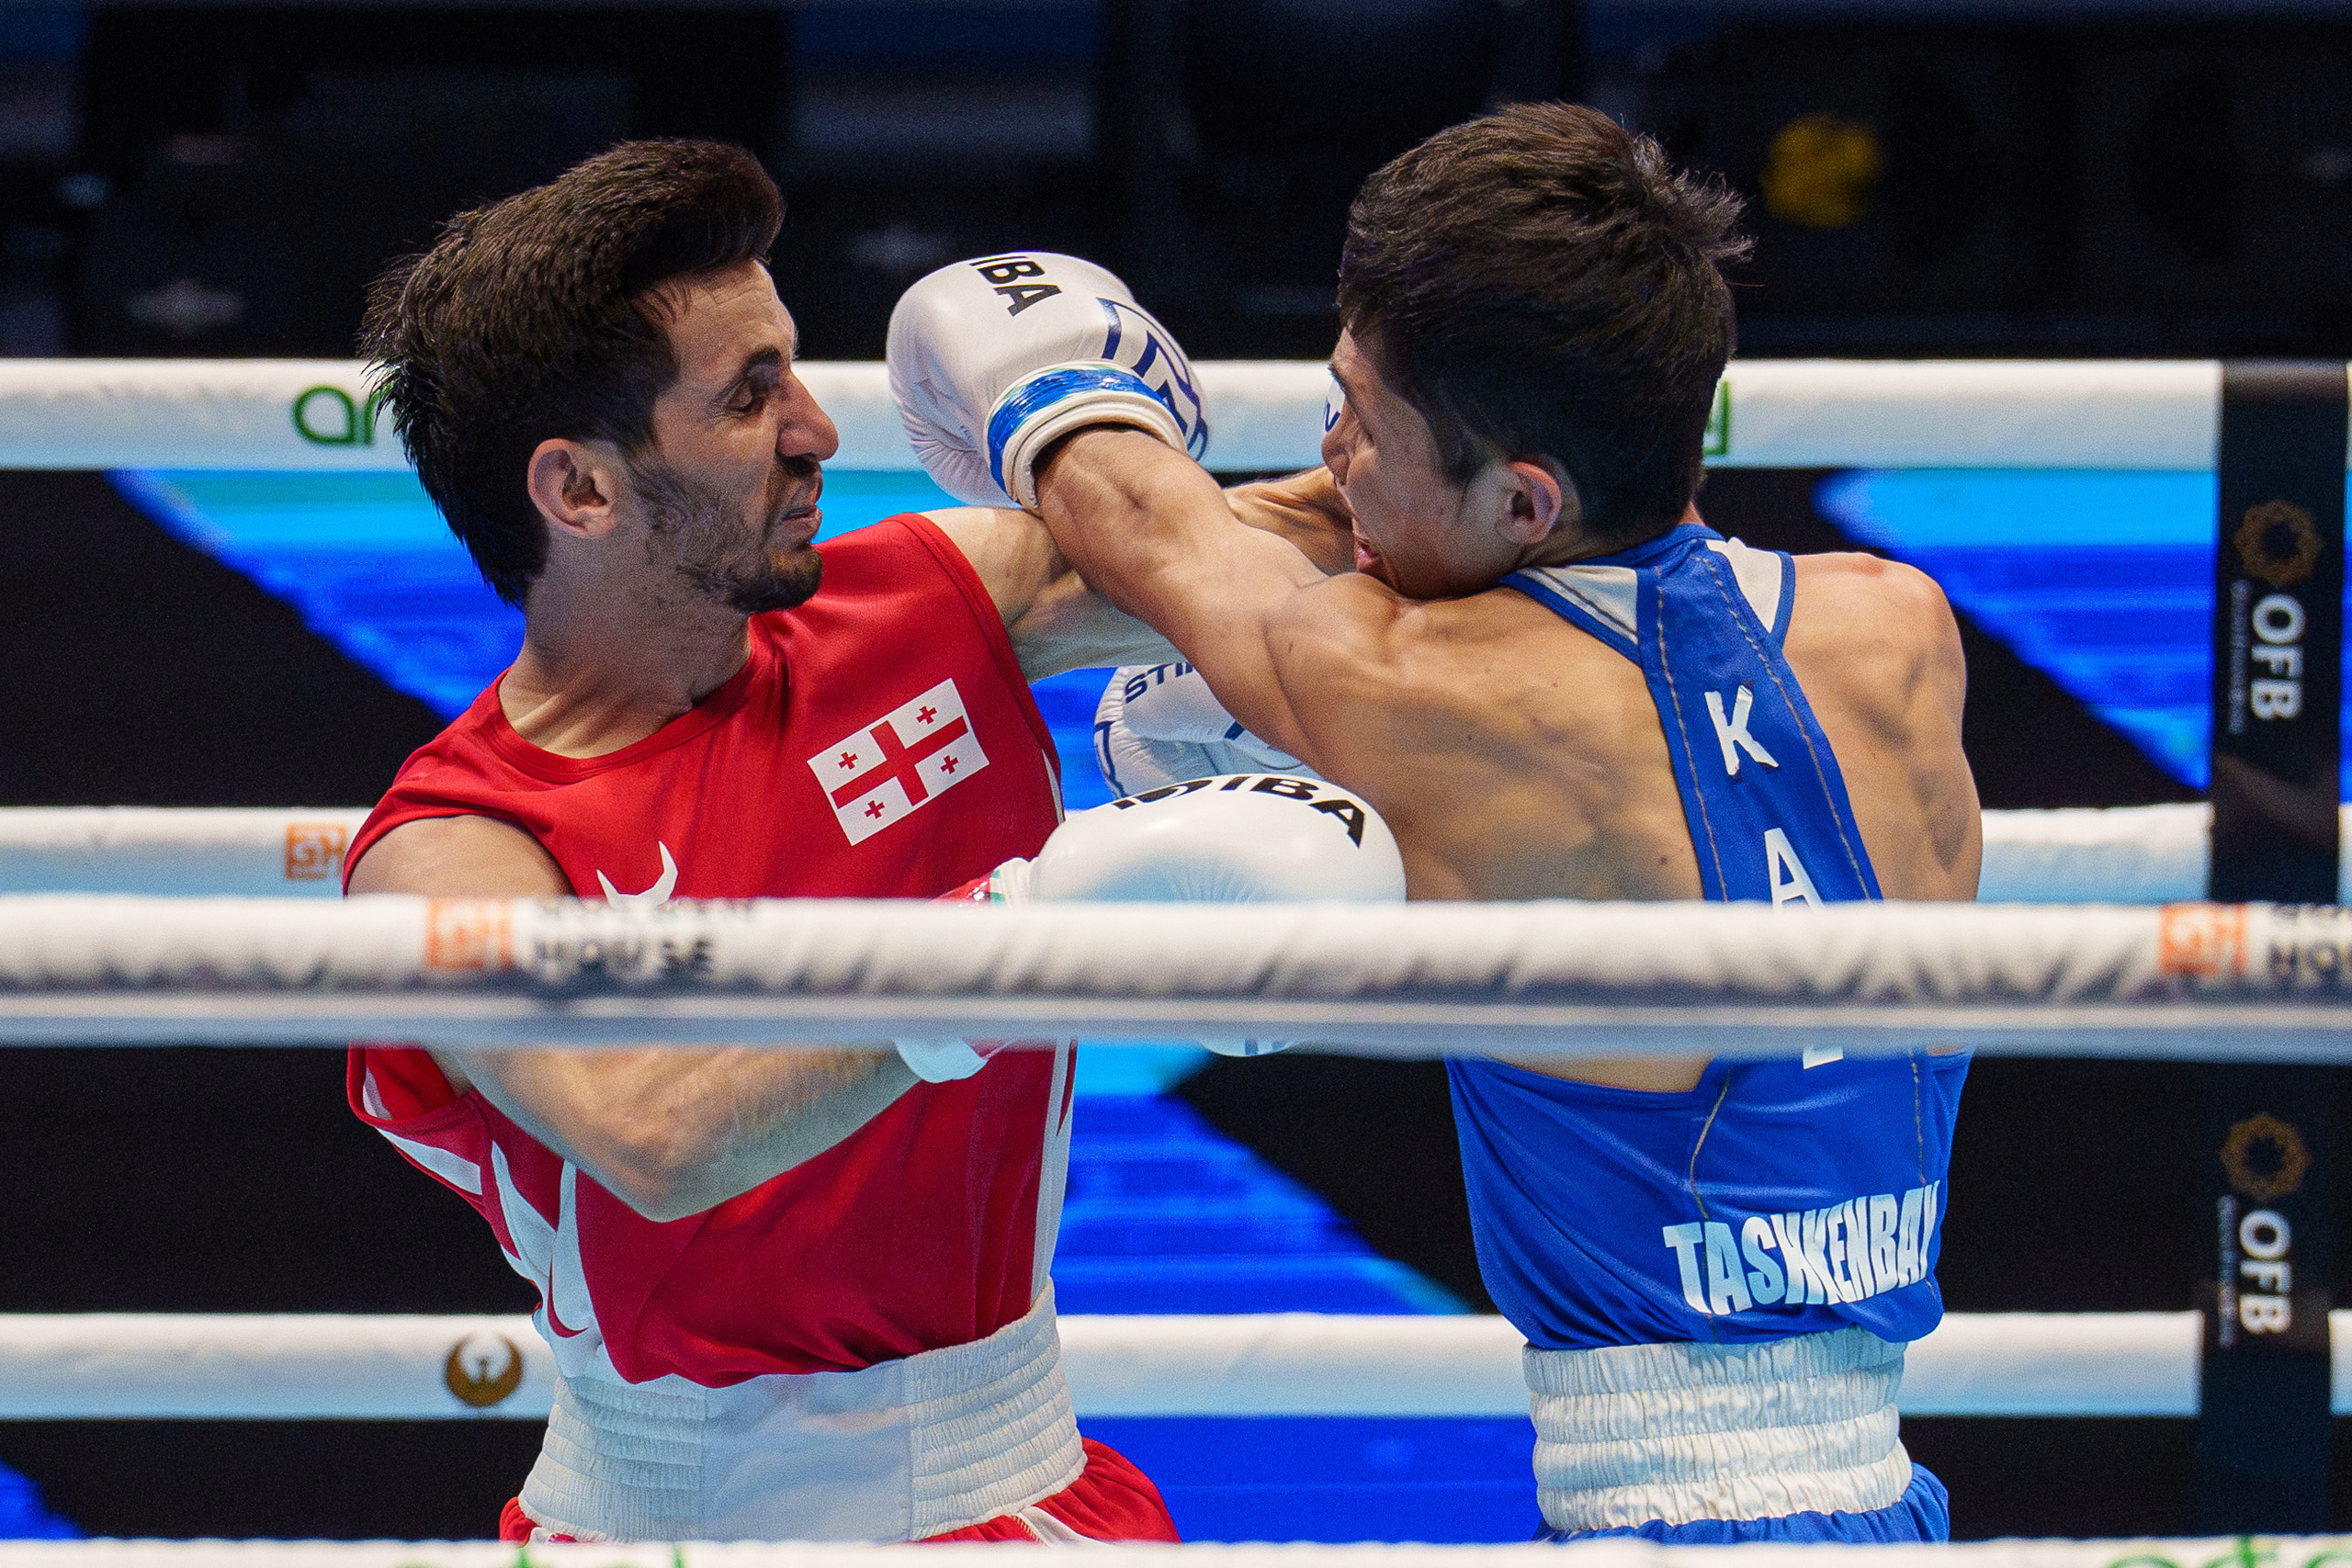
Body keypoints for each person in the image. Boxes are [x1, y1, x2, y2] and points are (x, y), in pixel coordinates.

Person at [888, 102, 1983, 1545]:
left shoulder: (1420, 691)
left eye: (1359, 415)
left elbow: (1159, 533)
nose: (1332, 449)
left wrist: (1047, 387)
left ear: (1527, 500)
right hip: (1890, 1504)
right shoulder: (1901, 631)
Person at [337, 138, 1346, 1545]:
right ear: (579, 493)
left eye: (794, 367)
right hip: (672, 1531)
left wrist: (1080, 428)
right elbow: (656, 1132)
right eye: (751, 395)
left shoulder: (926, 602)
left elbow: (1325, 543)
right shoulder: (453, 851)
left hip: (1024, 1493)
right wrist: (1032, 925)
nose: (816, 425)